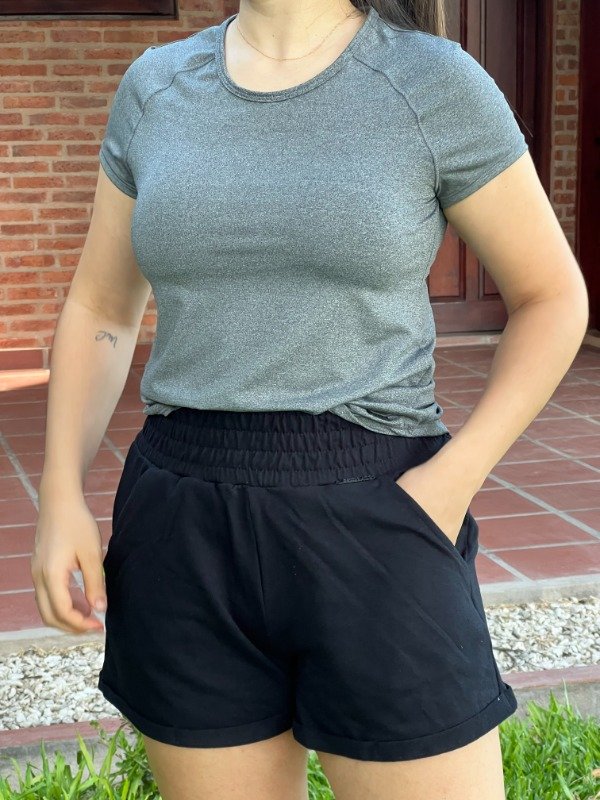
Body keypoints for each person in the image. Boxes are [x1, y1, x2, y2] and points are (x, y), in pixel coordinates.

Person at [32, 0, 588, 798]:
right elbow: (102, 308)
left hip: (379, 509)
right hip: (181, 525)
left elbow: (551, 297)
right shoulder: (156, 87)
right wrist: (60, 495)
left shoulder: (431, 82)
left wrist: (450, 484)